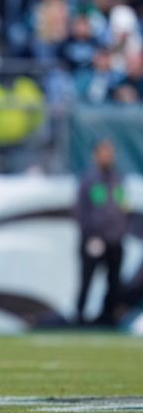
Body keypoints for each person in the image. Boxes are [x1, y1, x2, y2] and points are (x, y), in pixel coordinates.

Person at [75, 139, 129, 326]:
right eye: (104, 153)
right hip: (94, 239)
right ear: (95, 156)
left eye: (110, 153)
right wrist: (90, 236)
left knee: (114, 281)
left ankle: (108, 316)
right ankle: (80, 316)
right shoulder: (89, 179)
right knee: (87, 279)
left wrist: (121, 232)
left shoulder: (118, 178)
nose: (107, 157)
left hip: (115, 239)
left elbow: (122, 207)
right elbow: (82, 211)